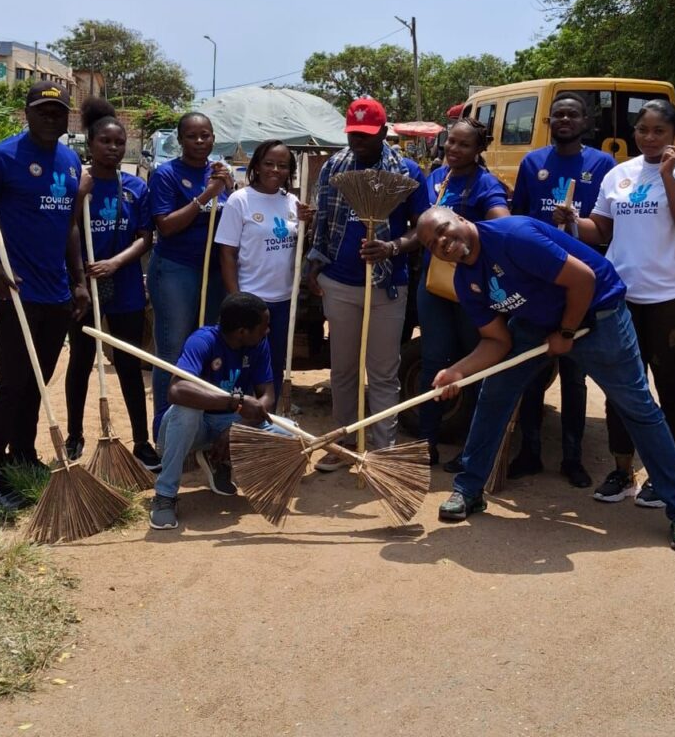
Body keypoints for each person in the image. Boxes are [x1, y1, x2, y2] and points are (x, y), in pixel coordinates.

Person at [416, 206, 675, 553]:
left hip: (598, 315)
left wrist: (566, 331)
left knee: (636, 407)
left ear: (461, 219)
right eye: (433, 245)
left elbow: (583, 279)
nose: (443, 243)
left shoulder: (513, 237)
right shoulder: (466, 281)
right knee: (494, 396)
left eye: (444, 230)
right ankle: (469, 490)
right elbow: (497, 341)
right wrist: (458, 371)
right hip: (535, 324)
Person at [554, 99, 675, 508]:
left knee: (673, 390)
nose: (649, 137)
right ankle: (622, 471)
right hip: (621, 298)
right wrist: (572, 219)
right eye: (643, 129)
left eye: (659, 130)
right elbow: (601, 228)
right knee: (622, 389)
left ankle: (666, 474)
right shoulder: (619, 173)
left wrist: (668, 177)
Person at [0, 82, 90, 510]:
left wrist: (78, 280)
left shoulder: (71, 161)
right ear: (27, 113)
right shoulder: (1, 158)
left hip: (55, 291)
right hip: (12, 292)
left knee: (37, 381)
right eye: (43, 111)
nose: (51, 118)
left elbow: (71, 226)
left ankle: (22, 455)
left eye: (58, 112)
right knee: (10, 382)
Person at [308, 97, 430, 469]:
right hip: (340, 283)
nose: (357, 140)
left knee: (382, 371)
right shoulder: (334, 167)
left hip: (388, 287)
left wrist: (392, 247)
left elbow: (422, 228)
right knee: (342, 369)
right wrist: (314, 266)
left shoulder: (407, 171)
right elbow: (323, 223)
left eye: (365, 134)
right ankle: (342, 443)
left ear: (382, 130)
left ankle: (382, 452)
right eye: (352, 133)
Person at [509, 92, 615, 488]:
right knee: (533, 370)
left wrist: (575, 222)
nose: (565, 119)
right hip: (538, 283)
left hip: (581, 280)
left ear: (586, 121)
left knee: (574, 373)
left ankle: (573, 456)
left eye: (573, 114)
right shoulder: (532, 162)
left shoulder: (603, 164)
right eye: (558, 114)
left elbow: (607, 225)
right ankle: (530, 452)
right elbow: (517, 219)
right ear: (549, 121)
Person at [64, 98, 159, 469]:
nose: (114, 148)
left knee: (128, 363)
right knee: (81, 358)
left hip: (127, 287)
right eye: (106, 142)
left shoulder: (135, 187)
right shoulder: (78, 183)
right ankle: (74, 435)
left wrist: (116, 262)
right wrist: (80, 196)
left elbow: (145, 237)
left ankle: (141, 440)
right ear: (90, 144)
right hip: (83, 287)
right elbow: (67, 227)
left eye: (119, 143)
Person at [149, 293, 290, 530]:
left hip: (229, 423)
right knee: (187, 409)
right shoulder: (202, 341)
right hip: (188, 429)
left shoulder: (259, 344)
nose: (267, 331)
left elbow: (267, 398)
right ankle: (165, 496)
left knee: (290, 434)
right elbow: (176, 391)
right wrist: (234, 401)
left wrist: (236, 428)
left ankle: (216, 461)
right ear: (242, 331)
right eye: (263, 327)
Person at [418, 118, 509, 469]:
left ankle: (470, 449)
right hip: (434, 286)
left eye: (463, 145)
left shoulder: (486, 183)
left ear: (478, 150)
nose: (454, 150)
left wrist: (466, 229)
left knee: (471, 365)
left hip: (470, 287)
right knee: (433, 361)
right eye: (450, 143)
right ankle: (427, 440)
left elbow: (501, 223)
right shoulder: (436, 179)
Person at [147, 112, 233, 438]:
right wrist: (206, 196)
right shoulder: (166, 174)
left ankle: (199, 429)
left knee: (209, 347)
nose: (200, 141)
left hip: (213, 271)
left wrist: (229, 187)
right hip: (175, 270)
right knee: (173, 351)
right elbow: (166, 226)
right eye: (192, 136)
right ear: (180, 140)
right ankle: (164, 431)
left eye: (206, 135)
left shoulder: (219, 173)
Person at [216, 140, 313, 407]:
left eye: (283, 165)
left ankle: (269, 424)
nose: (275, 170)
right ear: (256, 166)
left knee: (275, 364)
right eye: (269, 163)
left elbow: (298, 249)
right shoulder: (240, 200)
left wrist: (308, 225)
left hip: (283, 301)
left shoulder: (292, 202)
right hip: (251, 298)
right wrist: (236, 300)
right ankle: (237, 422)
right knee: (243, 365)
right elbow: (227, 254)